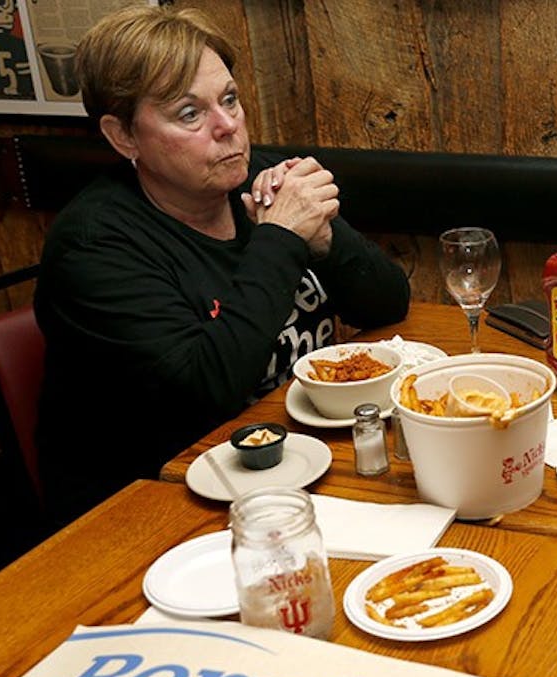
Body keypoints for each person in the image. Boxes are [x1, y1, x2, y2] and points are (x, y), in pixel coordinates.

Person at [33, 5, 409, 523]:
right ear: (123, 137)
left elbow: (390, 304)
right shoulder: (95, 246)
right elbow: (206, 393)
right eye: (189, 114)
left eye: (229, 99)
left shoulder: (251, 178)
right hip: (155, 508)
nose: (228, 125)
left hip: (293, 466)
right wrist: (280, 238)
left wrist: (324, 241)